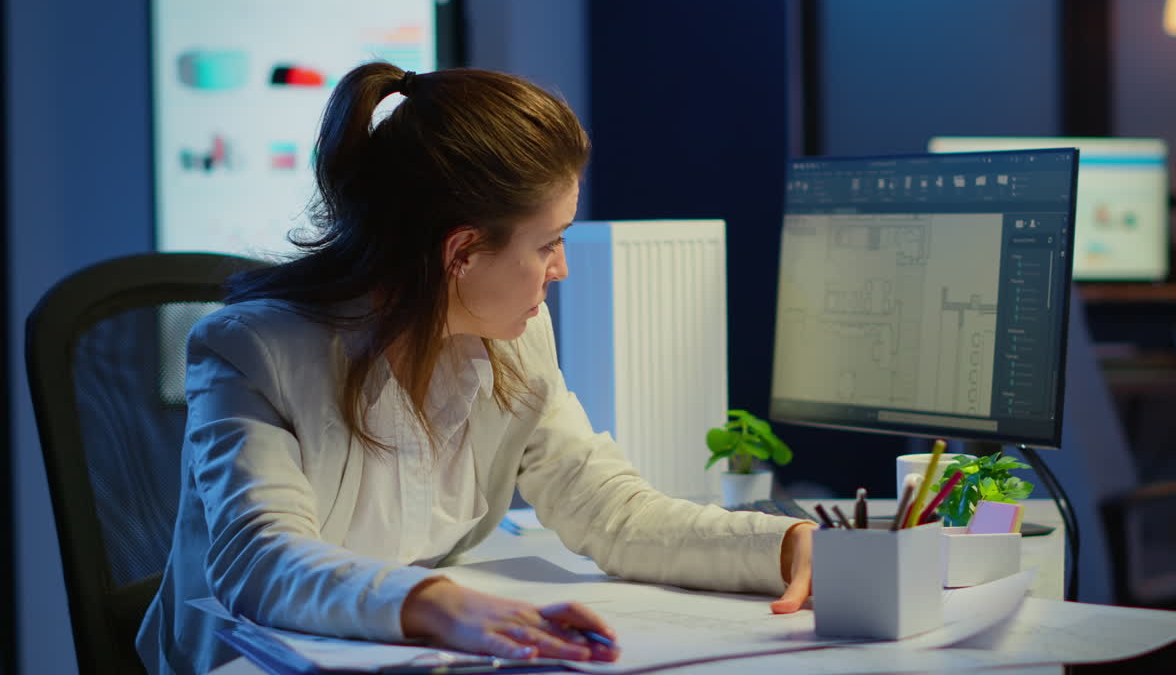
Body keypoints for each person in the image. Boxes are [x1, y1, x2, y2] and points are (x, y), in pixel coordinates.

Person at [136, 62, 817, 675]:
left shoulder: (513, 339)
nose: (561, 270)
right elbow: (260, 559)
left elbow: (609, 510)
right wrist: (438, 605)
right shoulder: (251, 351)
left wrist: (779, 545)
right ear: (461, 252)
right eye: (548, 244)